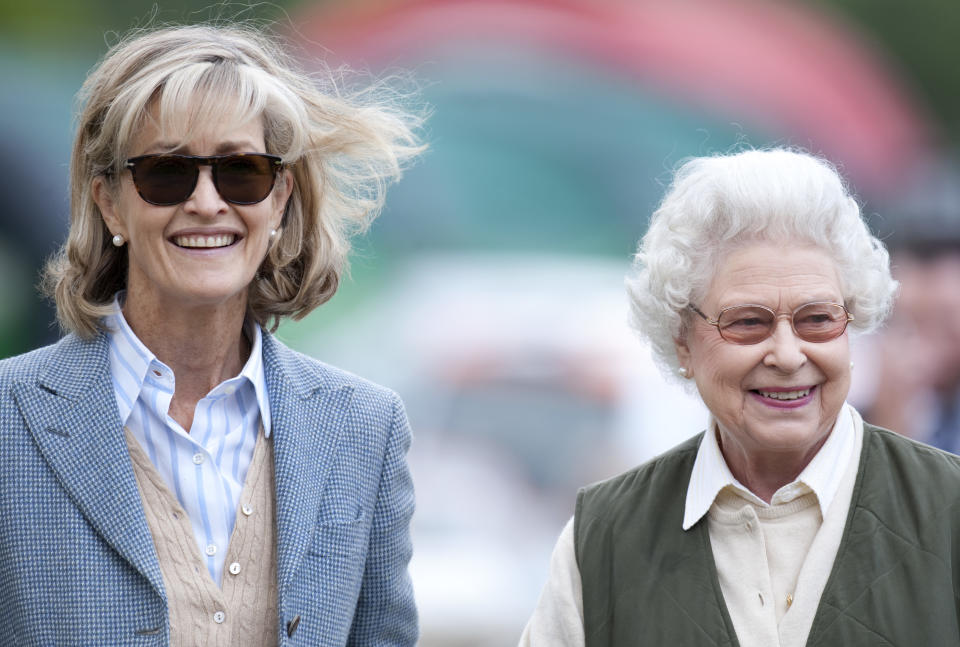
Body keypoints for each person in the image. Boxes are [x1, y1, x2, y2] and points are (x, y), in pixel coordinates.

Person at [0, 23, 423, 646]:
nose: (206, 202)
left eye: (241, 171)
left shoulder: (365, 428)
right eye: (168, 172)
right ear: (111, 203)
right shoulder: (9, 417)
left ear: (278, 199)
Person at [520, 148, 960, 646]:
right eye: (748, 322)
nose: (789, 355)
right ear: (682, 339)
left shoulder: (949, 510)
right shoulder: (601, 542)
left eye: (818, 319)